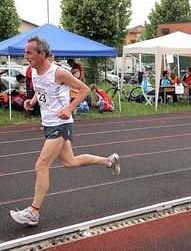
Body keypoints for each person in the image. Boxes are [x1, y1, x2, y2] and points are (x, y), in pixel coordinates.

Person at [9, 35, 121, 227]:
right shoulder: (33, 70)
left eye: (29, 52)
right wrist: (32, 101)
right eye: (25, 52)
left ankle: (33, 212)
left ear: (42, 54)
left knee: (41, 165)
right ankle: (109, 161)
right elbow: (40, 88)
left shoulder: (59, 73)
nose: (25, 55)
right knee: (70, 162)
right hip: (49, 123)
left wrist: (69, 108)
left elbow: (84, 89)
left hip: (61, 124)